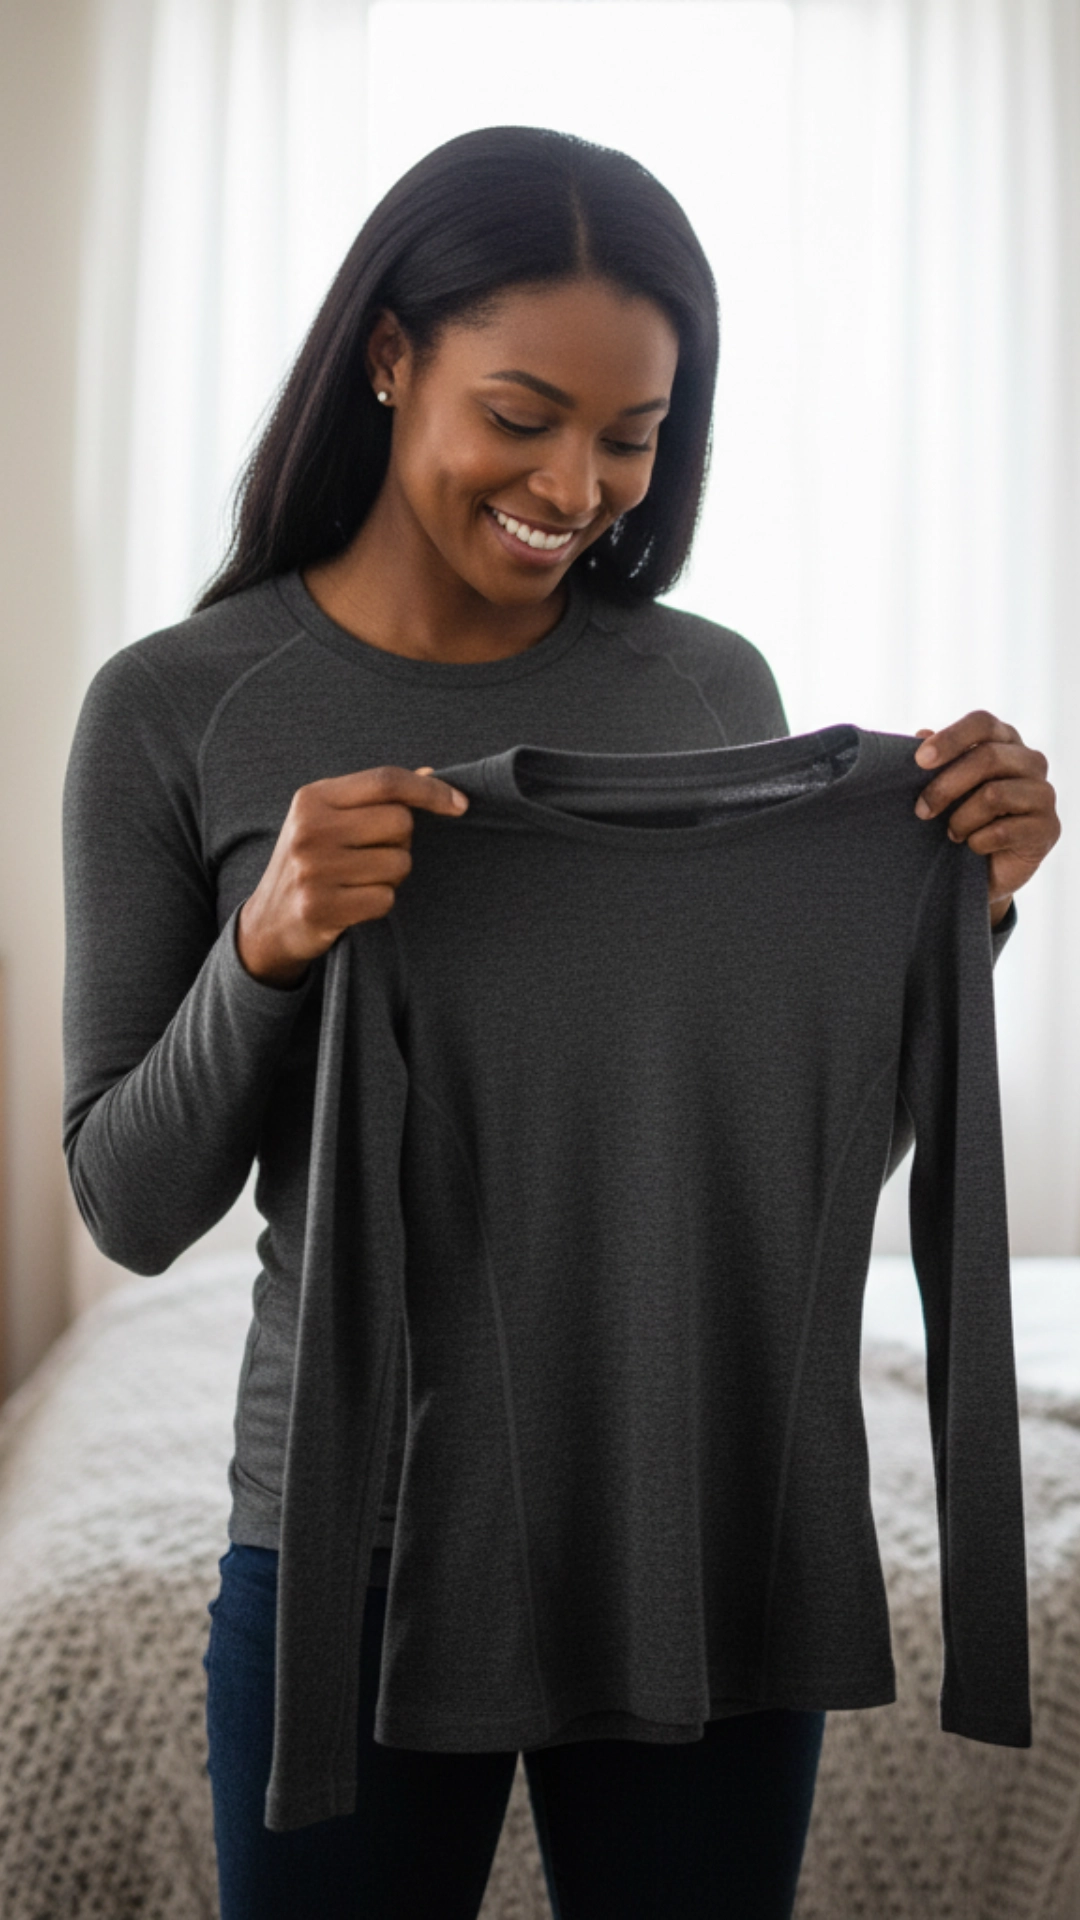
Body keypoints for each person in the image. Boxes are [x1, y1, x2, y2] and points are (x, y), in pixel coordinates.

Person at [61, 125, 1060, 1920]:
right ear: (388, 357)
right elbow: (131, 1212)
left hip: (693, 1518)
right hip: (348, 1529)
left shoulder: (708, 686)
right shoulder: (175, 711)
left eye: (632, 432)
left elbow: (752, 1136)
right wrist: (269, 948)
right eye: (522, 415)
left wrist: (958, 915)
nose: (578, 481)